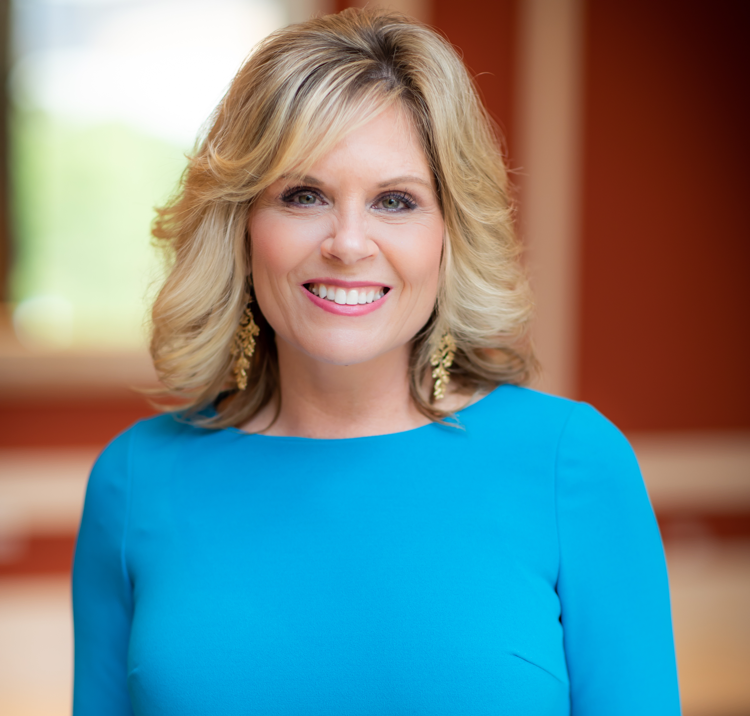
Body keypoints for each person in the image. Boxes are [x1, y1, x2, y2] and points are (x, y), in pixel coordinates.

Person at [72, 8, 681, 715]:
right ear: (240, 226)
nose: (349, 243)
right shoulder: (133, 480)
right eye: (304, 196)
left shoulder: (572, 465)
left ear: (450, 236)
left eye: (396, 201)